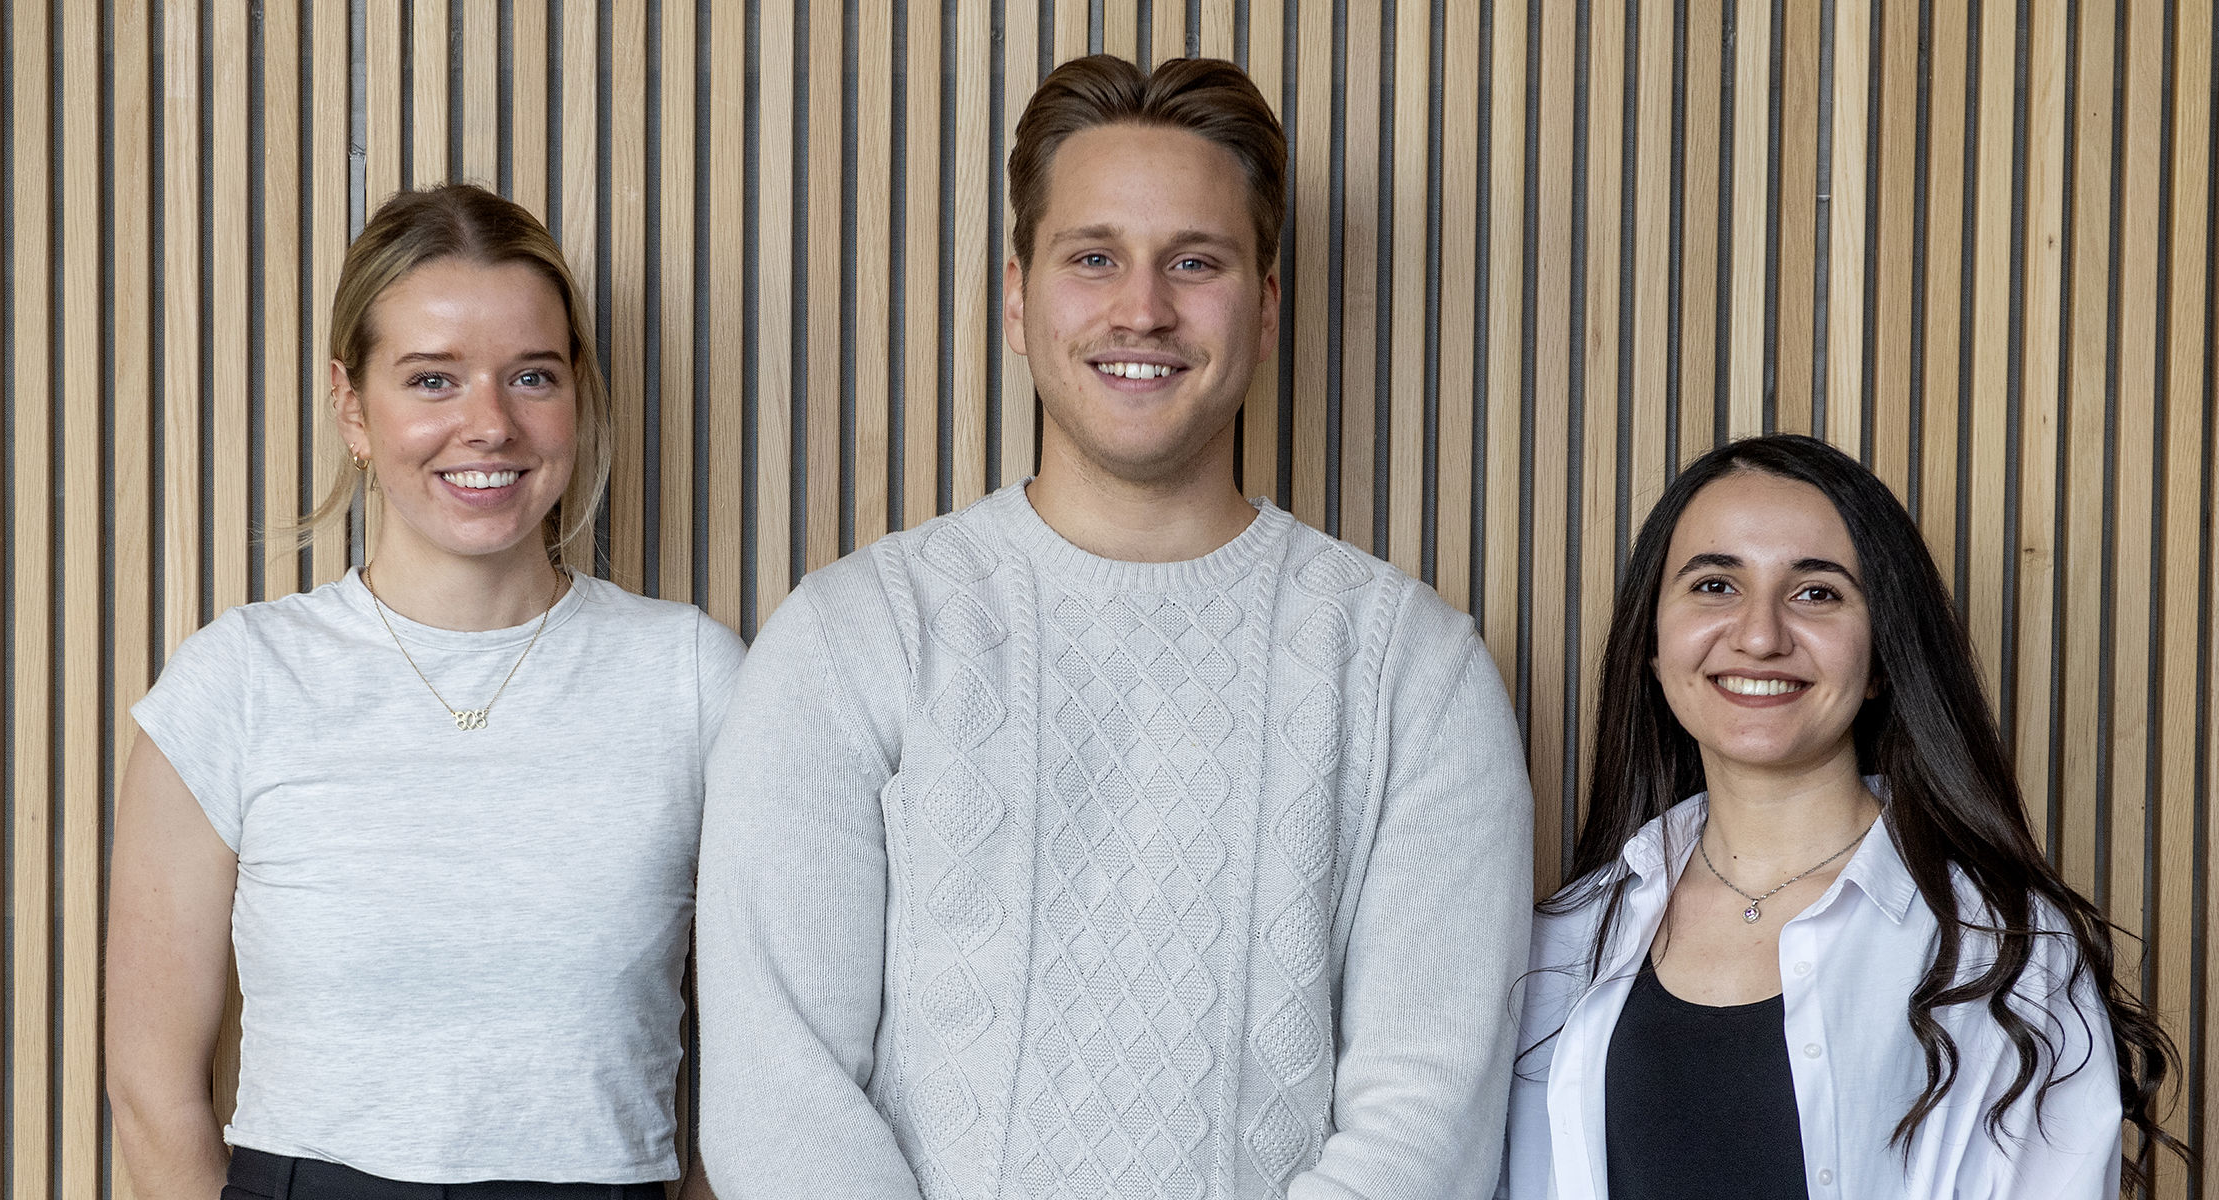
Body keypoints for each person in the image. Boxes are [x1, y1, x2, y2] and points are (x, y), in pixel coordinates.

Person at [696, 53, 1534, 1200]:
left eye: (1196, 261)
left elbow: (1427, 1112)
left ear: (1268, 305)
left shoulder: (1415, 670)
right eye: (1094, 258)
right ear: (1016, 296)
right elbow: (776, 1094)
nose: (1142, 308)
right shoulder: (854, 637)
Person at [105, 183, 743, 1200]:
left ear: (579, 394)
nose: (487, 425)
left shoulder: (696, 683)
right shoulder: (236, 686)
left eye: (530, 376)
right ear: (353, 406)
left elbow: (770, 1067)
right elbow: (151, 1091)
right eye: (432, 380)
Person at [1501, 434, 2186, 1198]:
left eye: (1817, 592)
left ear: (1881, 659)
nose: (1759, 635)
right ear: (1653, 646)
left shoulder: (2003, 949)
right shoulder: (1559, 944)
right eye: (1715, 586)